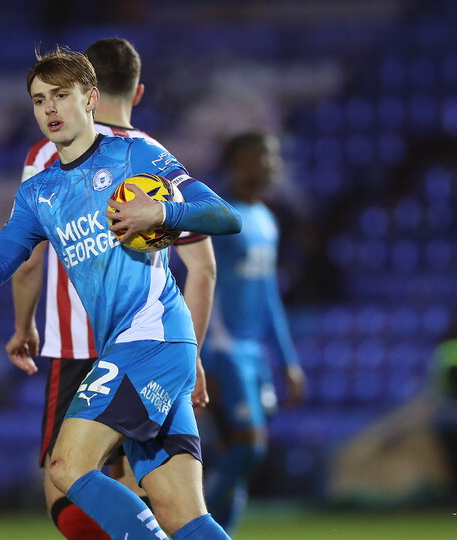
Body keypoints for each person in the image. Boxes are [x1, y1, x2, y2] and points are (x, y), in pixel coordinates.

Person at [0, 46, 241, 539]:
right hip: (138, 345)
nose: (50, 110)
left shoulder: (134, 153)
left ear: (91, 99)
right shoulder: (38, 193)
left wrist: (162, 214)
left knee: (65, 467)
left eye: (62, 96)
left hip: (153, 337)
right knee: (182, 516)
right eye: (40, 100)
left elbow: (223, 216)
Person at [6, 38, 217, 539]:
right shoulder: (149, 153)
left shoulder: (45, 156)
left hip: (81, 346)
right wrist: (192, 355)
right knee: (162, 500)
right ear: (137, 91)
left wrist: (22, 326)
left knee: (68, 489)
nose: (51, 107)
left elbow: (27, 262)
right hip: (155, 341)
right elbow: (202, 268)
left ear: (87, 91)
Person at [201, 132, 306, 533]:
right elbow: (198, 280)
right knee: (249, 447)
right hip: (221, 349)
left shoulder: (266, 220)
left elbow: (268, 300)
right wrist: (196, 352)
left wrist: (288, 361)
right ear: (239, 162)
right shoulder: (219, 216)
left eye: (276, 158)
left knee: (239, 453)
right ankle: (190, 524)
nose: (273, 166)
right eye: (264, 157)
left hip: (253, 354)